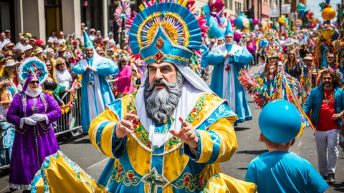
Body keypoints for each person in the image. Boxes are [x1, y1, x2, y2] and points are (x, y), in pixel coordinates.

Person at [245, 100, 329, 193]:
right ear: (292, 140)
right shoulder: (303, 165)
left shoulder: (255, 165)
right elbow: (321, 190)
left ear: (261, 137)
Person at [6, 57, 61, 192]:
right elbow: (10, 115)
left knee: (46, 161)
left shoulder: (46, 96)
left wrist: (45, 116)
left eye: (37, 82)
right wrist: (23, 120)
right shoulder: (19, 97)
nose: (35, 84)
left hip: (45, 136)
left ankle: (47, 183)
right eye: (32, 82)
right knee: (27, 162)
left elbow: (57, 111)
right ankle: (30, 185)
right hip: (25, 137)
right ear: (27, 82)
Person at [205, 22, 253, 123]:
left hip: (235, 78)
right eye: (227, 37)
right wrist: (222, 56)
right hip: (221, 79)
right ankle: (222, 117)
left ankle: (236, 116)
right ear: (224, 37)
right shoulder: (218, 49)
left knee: (235, 94)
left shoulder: (239, 48)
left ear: (233, 38)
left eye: (231, 37)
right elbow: (209, 58)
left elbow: (249, 57)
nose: (229, 39)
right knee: (222, 94)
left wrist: (235, 56)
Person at [303, 68, 344, 184]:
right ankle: (323, 174)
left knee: (332, 148)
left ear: (333, 79)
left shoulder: (339, 92)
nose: (326, 80)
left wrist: (340, 114)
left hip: (334, 127)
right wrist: (301, 116)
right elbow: (306, 106)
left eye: (329, 78)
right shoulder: (315, 92)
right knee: (321, 151)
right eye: (324, 78)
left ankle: (331, 173)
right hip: (319, 128)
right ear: (322, 79)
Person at [72, 31, 118, 133]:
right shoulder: (83, 62)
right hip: (88, 89)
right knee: (90, 107)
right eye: (87, 50)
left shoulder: (100, 60)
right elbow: (76, 69)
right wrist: (84, 68)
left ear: (93, 50)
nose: (89, 52)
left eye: (90, 50)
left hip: (100, 89)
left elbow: (111, 68)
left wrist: (94, 69)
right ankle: (93, 129)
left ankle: (106, 127)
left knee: (103, 104)